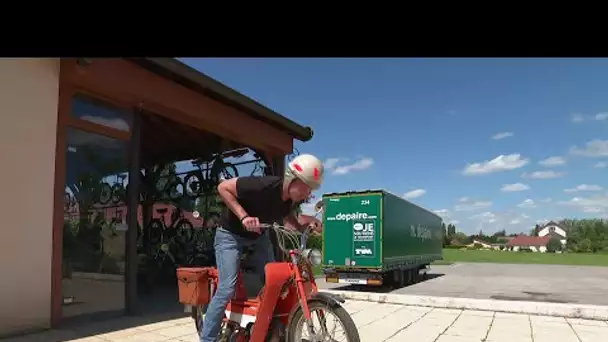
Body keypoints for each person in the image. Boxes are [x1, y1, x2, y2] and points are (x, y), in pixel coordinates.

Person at [199, 154, 325, 342]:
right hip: (230, 235)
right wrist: (243, 216)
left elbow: (286, 213)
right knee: (227, 287)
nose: (307, 194)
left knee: (276, 280)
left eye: (311, 189)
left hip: (258, 236)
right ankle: (207, 338)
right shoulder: (263, 185)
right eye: (306, 186)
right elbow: (223, 187)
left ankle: (265, 327)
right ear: (292, 178)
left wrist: (300, 228)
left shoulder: (291, 199)